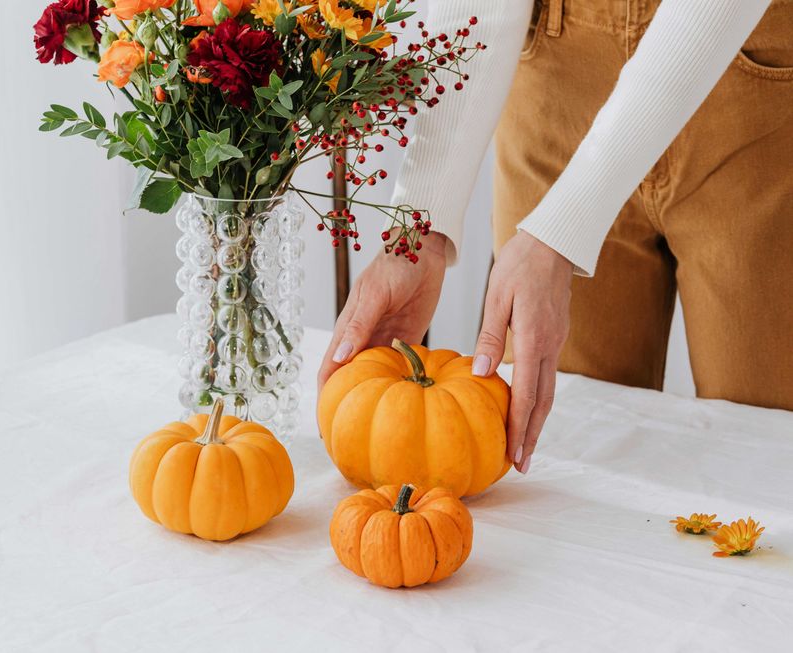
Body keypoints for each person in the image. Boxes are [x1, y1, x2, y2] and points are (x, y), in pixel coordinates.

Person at [318, 0, 792, 475]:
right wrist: (419, 227)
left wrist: (560, 231)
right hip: (555, 79)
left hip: (747, 78)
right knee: (569, 455)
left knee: (765, 454)